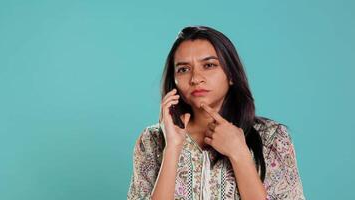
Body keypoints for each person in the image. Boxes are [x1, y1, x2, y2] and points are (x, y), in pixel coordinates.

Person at [127, 26, 305, 200]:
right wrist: (172, 148)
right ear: (174, 80)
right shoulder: (151, 140)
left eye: (209, 65)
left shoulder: (272, 138)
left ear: (231, 75)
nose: (196, 78)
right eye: (183, 69)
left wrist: (240, 154)